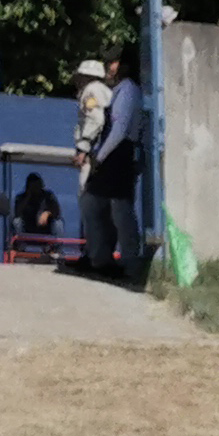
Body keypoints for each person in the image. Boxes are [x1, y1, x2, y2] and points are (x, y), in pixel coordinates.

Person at [79, 52, 147, 280]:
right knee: (100, 206)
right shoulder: (120, 91)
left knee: (118, 210)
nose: (110, 68)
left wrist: (99, 155)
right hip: (115, 154)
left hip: (118, 155)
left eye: (113, 64)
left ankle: (126, 261)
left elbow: (119, 129)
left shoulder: (127, 91)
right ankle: (101, 257)